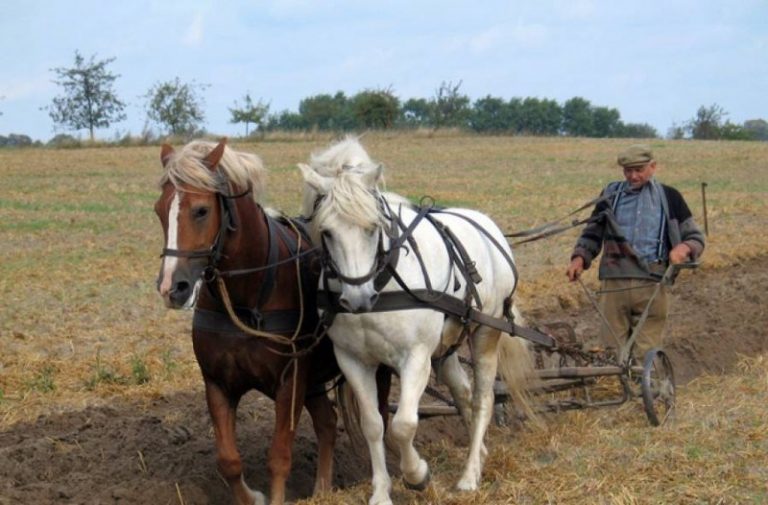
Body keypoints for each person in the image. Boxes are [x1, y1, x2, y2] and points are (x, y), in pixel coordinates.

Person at [565, 144, 705, 360]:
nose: (633, 176)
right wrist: (579, 258)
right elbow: (593, 231)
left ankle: (644, 389)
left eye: (639, 170)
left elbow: (695, 237)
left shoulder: (670, 197)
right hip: (614, 283)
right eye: (628, 171)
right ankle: (616, 389)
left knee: (646, 352)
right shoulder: (610, 195)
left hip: (652, 283)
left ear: (653, 167)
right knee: (610, 351)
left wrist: (683, 248)